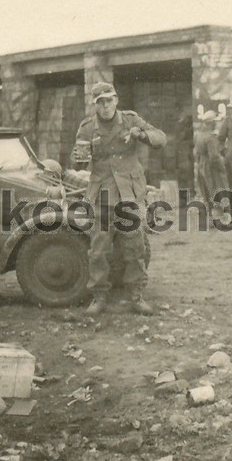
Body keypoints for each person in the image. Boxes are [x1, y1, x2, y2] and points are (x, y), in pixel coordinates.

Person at [72, 81, 166, 316]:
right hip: (102, 194)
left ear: (116, 100)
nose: (105, 106)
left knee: (134, 246)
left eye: (109, 100)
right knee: (99, 249)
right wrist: (79, 156)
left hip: (129, 194)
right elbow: (78, 163)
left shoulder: (131, 120)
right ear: (95, 104)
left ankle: (136, 295)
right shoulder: (86, 128)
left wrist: (141, 134)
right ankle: (99, 297)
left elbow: (161, 138)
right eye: (100, 102)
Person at [193, 109, 228, 210]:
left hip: (201, 165)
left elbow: (197, 153)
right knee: (217, 189)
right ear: (211, 123)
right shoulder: (211, 137)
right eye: (214, 122)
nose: (216, 124)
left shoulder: (199, 135)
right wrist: (222, 167)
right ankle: (219, 217)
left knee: (206, 192)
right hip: (211, 166)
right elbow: (214, 157)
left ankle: (210, 217)